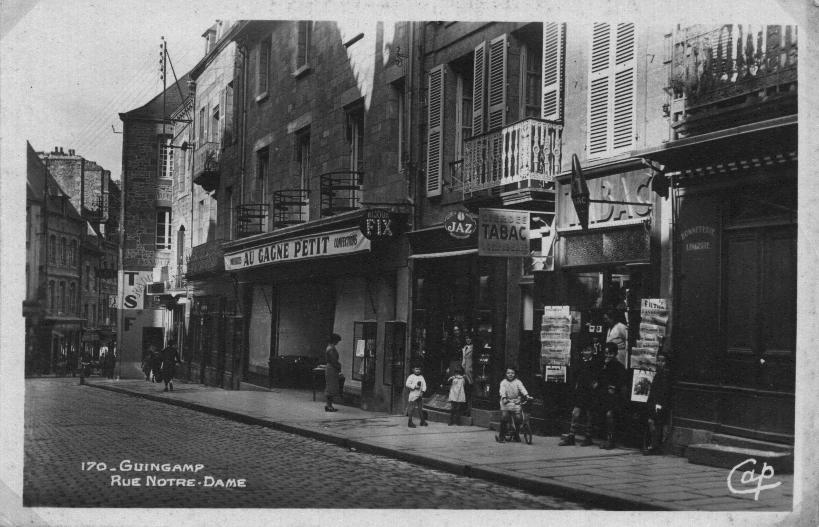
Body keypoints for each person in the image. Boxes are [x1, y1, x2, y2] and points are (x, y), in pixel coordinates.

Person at [559, 343, 601, 446]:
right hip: (580, 391)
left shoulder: (596, 363)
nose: (587, 352)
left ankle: (588, 437)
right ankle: (571, 436)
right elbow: (575, 375)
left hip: (591, 392)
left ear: (593, 351)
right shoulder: (579, 362)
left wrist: (595, 384)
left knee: (589, 415)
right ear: (582, 352)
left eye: (589, 350)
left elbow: (599, 376)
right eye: (585, 350)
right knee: (575, 413)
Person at [596, 342, 628, 449]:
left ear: (615, 354)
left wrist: (615, 387)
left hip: (614, 398)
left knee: (610, 416)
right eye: (606, 353)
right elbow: (599, 379)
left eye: (610, 353)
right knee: (604, 417)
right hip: (604, 396)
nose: (608, 355)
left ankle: (611, 440)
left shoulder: (619, 367)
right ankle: (606, 439)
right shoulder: (603, 365)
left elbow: (622, 382)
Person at [643, 354, 671, 455]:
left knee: (655, 424)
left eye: (662, 361)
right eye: (658, 360)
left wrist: (658, 404)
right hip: (655, 403)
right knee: (653, 423)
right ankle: (654, 445)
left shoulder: (664, 375)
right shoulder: (659, 373)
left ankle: (654, 446)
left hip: (658, 404)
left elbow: (663, 392)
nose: (659, 363)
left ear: (666, 363)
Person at [496, 367, 531, 443]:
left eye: (512, 373)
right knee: (504, 417)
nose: (510, 374)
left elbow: (522, 388)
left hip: (515, 402)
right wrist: (504, 398)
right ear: (506, 374)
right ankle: (501, 436)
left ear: (515, 374)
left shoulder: (518, 382)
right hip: (506, 402)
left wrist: (527, 395)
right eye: (508, 373)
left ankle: (516, 435)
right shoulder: (503, 382)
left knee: (518, 418)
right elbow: (502, 391)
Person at [324, 333, 343, 412]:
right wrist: (339, 366)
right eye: (337, 341)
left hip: (330, 368)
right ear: (334, 340)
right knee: (331, 387)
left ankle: (328, 405)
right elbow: (333, 360)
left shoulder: (329, 347)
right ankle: (329, 406)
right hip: (332, 368)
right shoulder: (331, 349)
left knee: (330, 387)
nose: (337, 342)